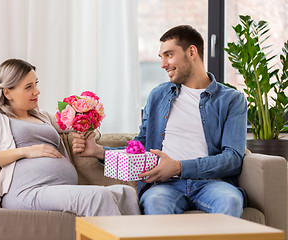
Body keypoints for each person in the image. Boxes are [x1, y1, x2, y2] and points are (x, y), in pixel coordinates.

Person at [72, 25, 247, 217]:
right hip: (165, 185)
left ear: (191, 52)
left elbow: (233, 159)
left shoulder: (231, 99)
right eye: (161, 57)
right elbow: (141, 147)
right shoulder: (158, 95)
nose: (163, 64)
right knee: (155, 202)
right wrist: (99, 152)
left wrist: (180, 167)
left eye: (169, 55)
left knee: (231, 200)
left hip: (212, 183)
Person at [0, 58, 140, 216]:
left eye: (36, 83)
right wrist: (26, 151)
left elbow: (82, 123)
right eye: (28, 87)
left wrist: (90, 133)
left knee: (126, 193)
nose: (37, 91)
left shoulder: (43, 117)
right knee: (98, 197)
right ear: (7, 92)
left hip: (57, 189)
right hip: (25, 192)